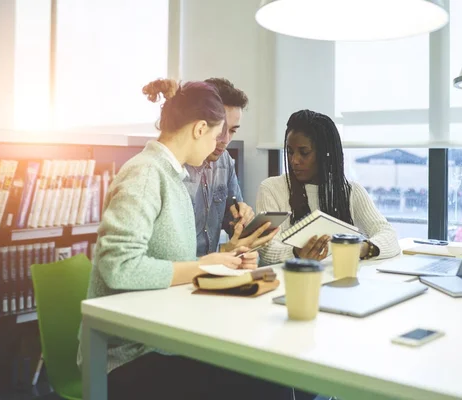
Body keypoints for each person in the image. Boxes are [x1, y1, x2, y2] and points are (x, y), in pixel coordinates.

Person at [77, 78, 291, 400]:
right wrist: (202, 265)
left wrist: (225, 257)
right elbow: (118, 268)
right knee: (264, 383)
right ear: (199, 129)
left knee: (268, 374)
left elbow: (171, 262)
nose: (219, 146)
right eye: (218, 134)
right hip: (129, 353)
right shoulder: (146, 174)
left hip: (164, 335)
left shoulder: (171, 176)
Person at [256, 109, 401, 265]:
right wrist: (297, 253)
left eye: (304, 153)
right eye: (290, 152)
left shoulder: (350, 192)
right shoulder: (271, 189)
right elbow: (266, 249)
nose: (294, 160)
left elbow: (389, 235)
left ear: (325, 154)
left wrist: (360, 248)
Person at [183, 78, 275, 256]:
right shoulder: (173, 168)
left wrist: (242, 220)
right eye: (220, 128)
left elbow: (232, 224)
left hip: (214, 271)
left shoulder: (224, 161)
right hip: (182, 274)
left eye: (232, 130)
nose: (225, 140)